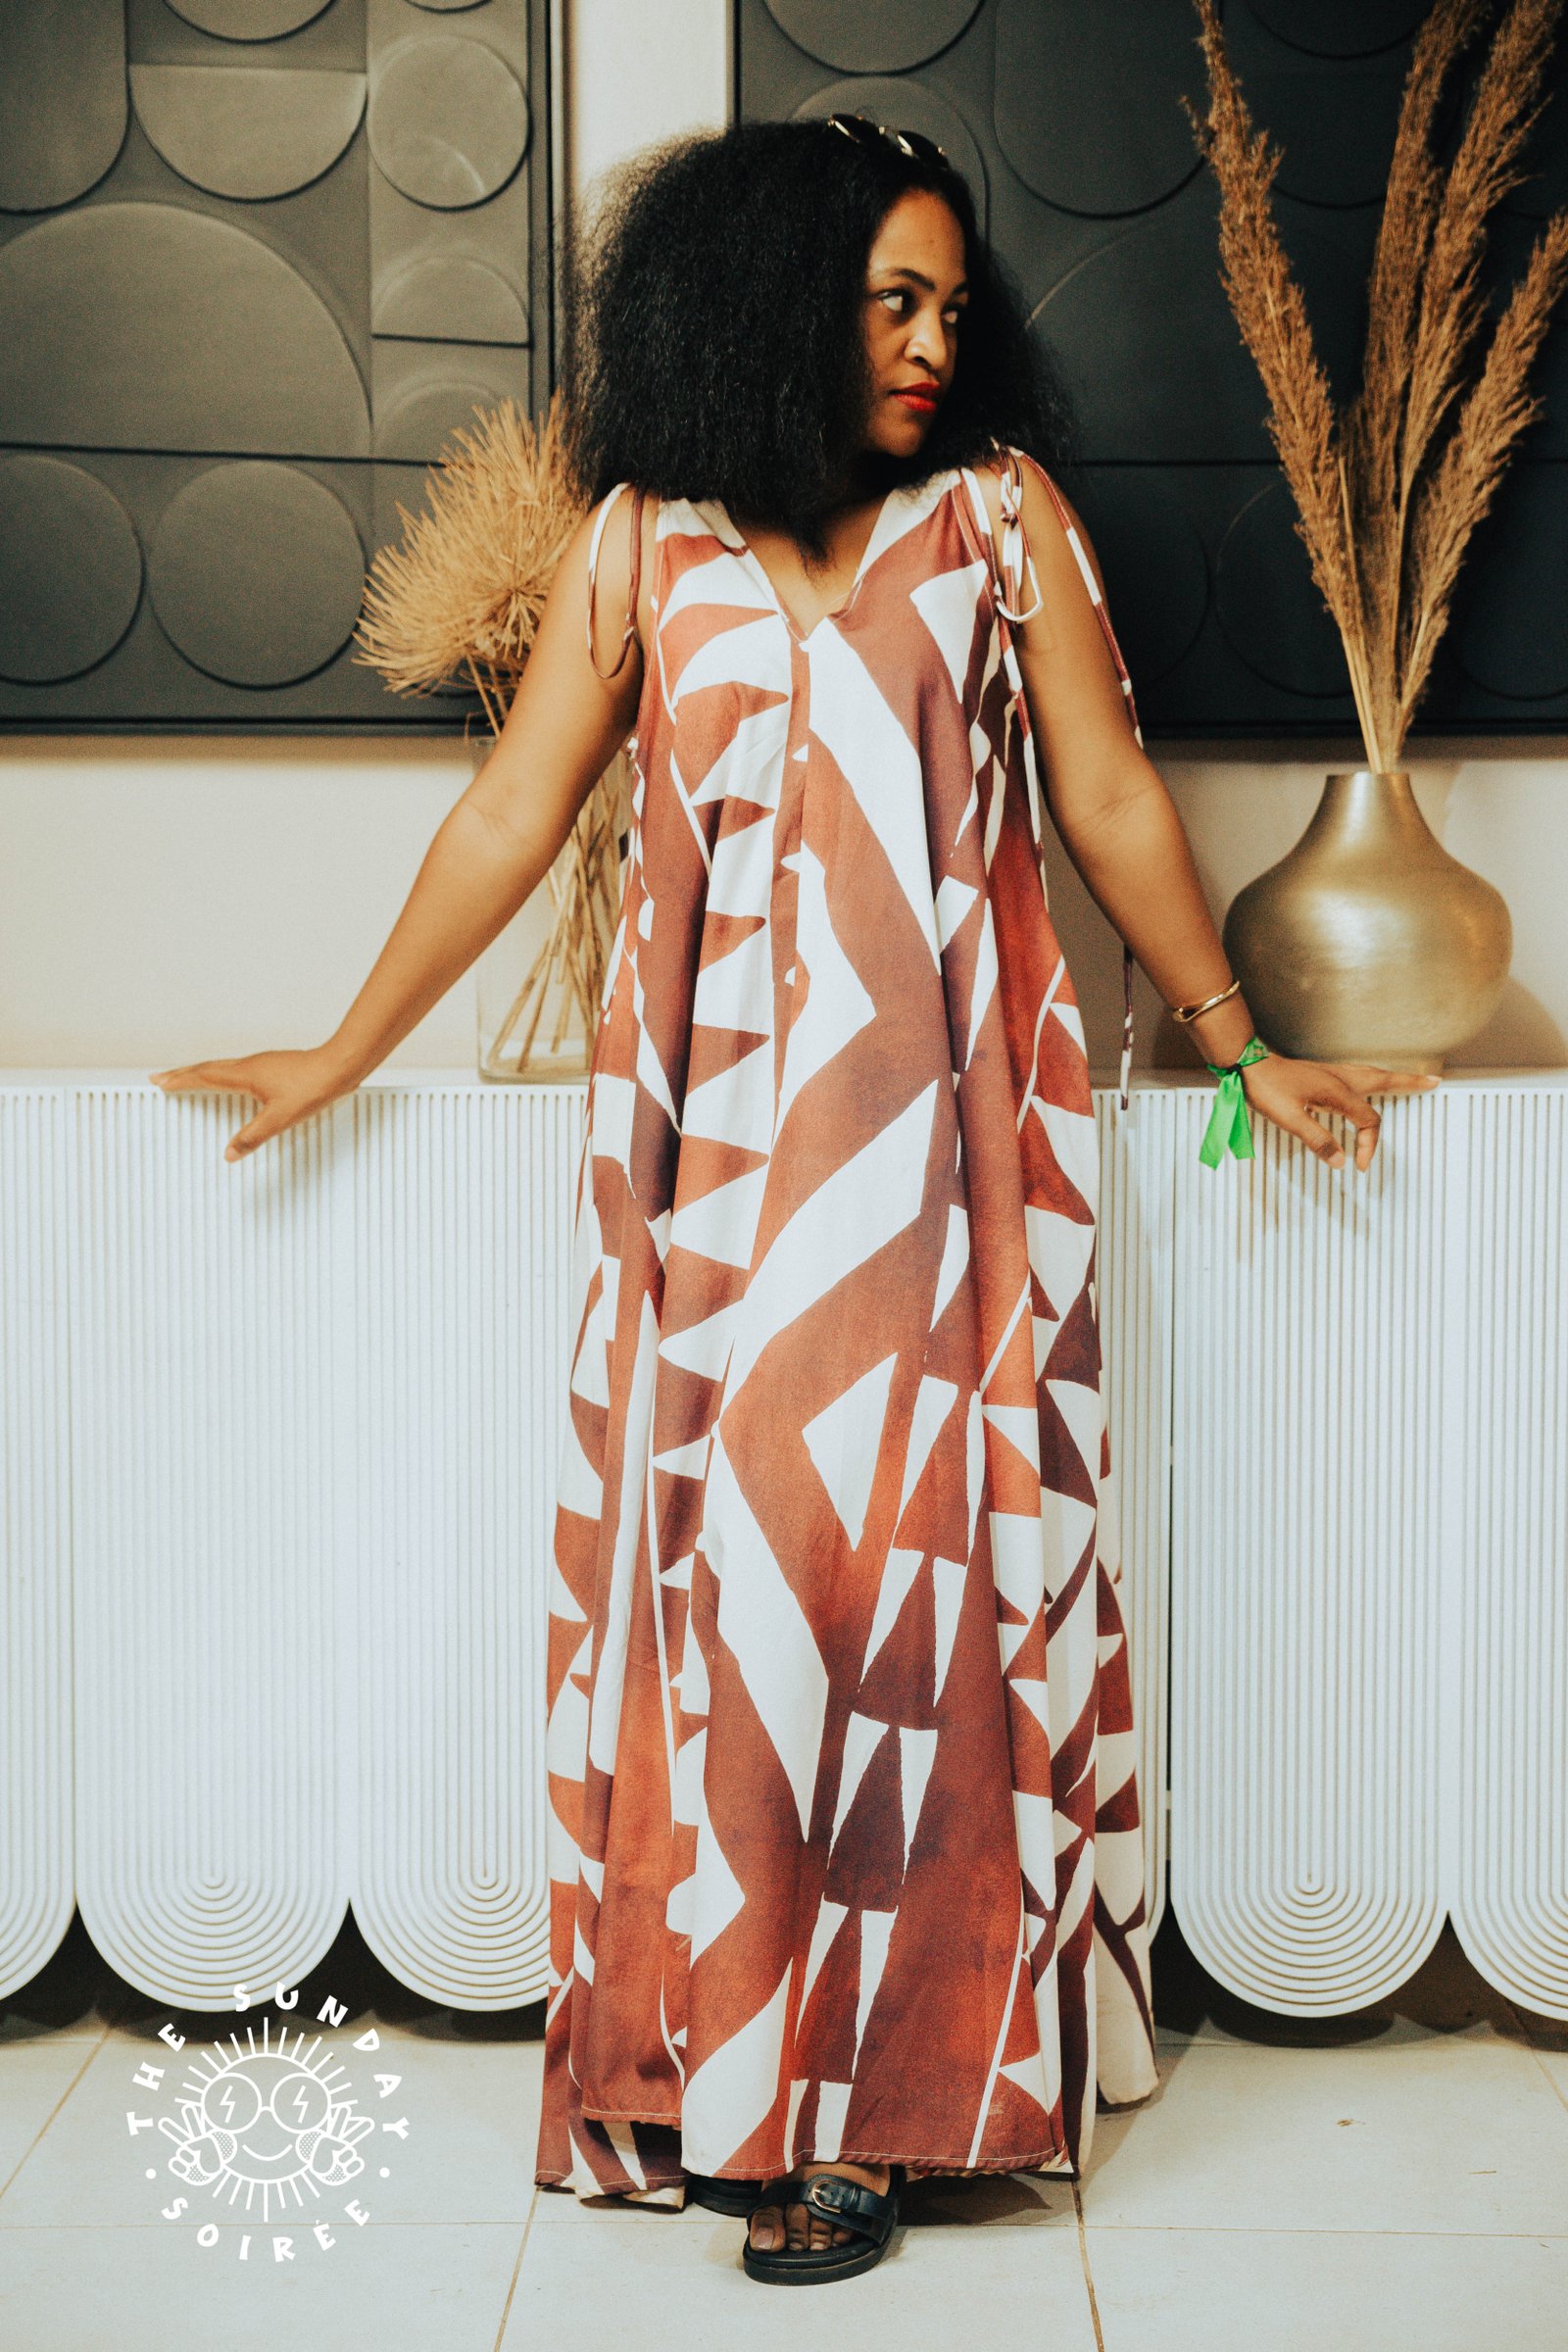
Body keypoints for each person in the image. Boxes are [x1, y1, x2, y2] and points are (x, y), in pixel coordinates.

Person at [150, 114, 1440, 2285]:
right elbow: (508, 818)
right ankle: (727, 2061)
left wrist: (1242, 1051)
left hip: (955, 1158)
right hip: (715, 1172)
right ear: (760, 303)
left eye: (950, 305)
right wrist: (339, 1048)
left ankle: (874, 2106)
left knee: (918, 1601)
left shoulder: (998, 522)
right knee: (731, 1599)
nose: (933, 343)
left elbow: (1110, 798)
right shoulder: (640, 545)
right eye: (887, 302)